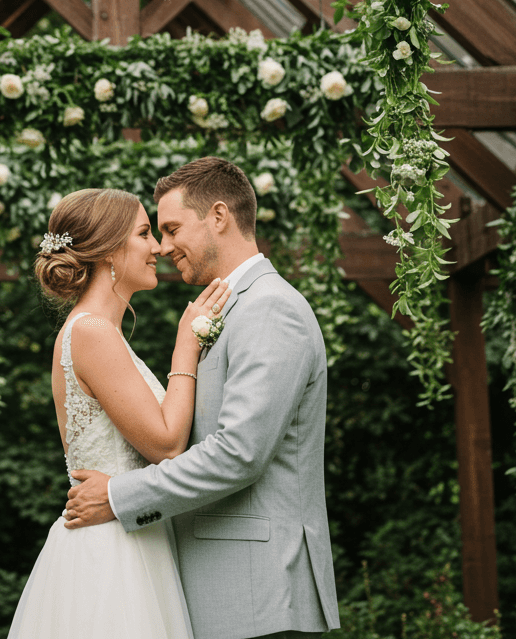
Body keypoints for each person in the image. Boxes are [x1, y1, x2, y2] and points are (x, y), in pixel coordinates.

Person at [64, 156, 340, 639]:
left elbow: (239, 453)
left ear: (218, 216)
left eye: (171, 228)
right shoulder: (227, 310)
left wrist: (116, 495)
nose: (164, 246)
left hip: (259, 591)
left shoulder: (270, 309)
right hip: (218, 587)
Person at [6, 186, 231, 639]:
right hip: (110, 554)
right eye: (145, 233)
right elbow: (166, 443)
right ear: (108, 250)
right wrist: (185, 348)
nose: (157, 248)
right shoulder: (91, 331)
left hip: (132, 534)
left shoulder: (100, 331)